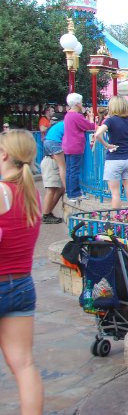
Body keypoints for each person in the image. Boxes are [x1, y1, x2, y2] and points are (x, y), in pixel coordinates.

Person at [0, 129, 44, 414]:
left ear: (5, 154)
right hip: (22, 285)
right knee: (24, 364)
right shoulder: (32, 195)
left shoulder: (2, 191)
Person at [62, 93, 95, 203]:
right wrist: (91, 119)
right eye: (81, 102)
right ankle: (74, 194)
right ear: (77, 104)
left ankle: (70, 192)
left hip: (67, 145)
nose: (82, 104)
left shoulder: (68, 115)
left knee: (70, 170)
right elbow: (90, 126)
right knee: (74, 171)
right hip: (75, 146)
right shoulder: (76, 116)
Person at [43, 116, 66, 189]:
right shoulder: (68, 124)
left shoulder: (60, 124)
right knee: (62, 166)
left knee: (58, 165)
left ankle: (63, 187)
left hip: (47, 141)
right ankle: (66, 188)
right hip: (55, 142)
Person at [40, 155, 64, 224]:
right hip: (52, 163)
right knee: (51, 190)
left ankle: (48, 212)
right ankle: (46, 215)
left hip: (53, 162)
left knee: (60, 189)